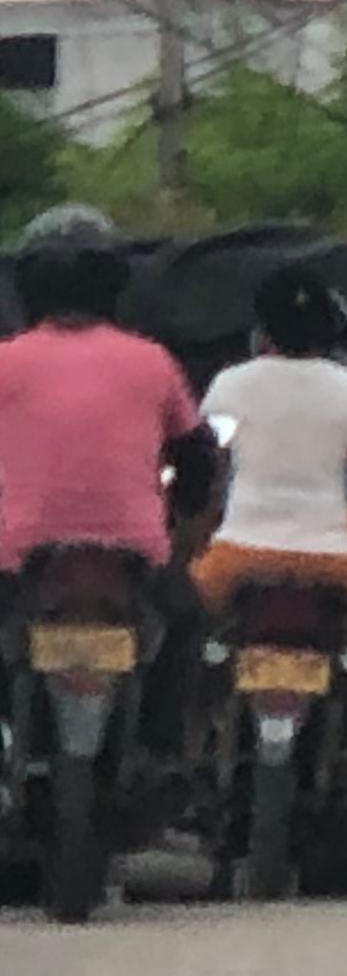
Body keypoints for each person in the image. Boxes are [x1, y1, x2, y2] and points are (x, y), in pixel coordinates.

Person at [196, 263, 347, 789]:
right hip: (332, 567)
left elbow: (208, 481)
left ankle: (187, 747)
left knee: (186, 626)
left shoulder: (230, 383)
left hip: (236, 563)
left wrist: (198, 539)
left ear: (263, 331)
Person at [0, 207, 219, 749]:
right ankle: (163, 749)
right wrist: (186, 532)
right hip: (135, 560)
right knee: (188, 621)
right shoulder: (154, 361)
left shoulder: (6, 361)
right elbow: (198, 459)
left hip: (19, 558)